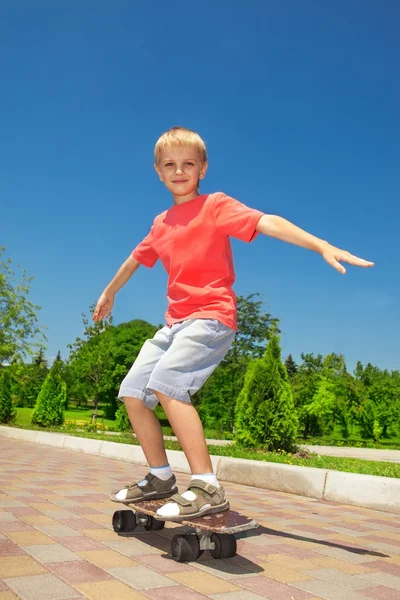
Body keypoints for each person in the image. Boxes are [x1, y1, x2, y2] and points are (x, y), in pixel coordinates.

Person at [92, 126, 373, 521]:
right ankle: (159, 477)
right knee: (133, 392)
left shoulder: (215, 206)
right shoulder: (161, 224)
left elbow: (266, 221)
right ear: (158, 171)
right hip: (174, 325)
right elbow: (135, 259)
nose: (179, 171)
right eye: (170, 165)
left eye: (188, 163)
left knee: (167, 383)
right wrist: (110, 292)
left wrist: (321, 244)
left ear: (202, 168)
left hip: (211, 317)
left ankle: (207, 485)